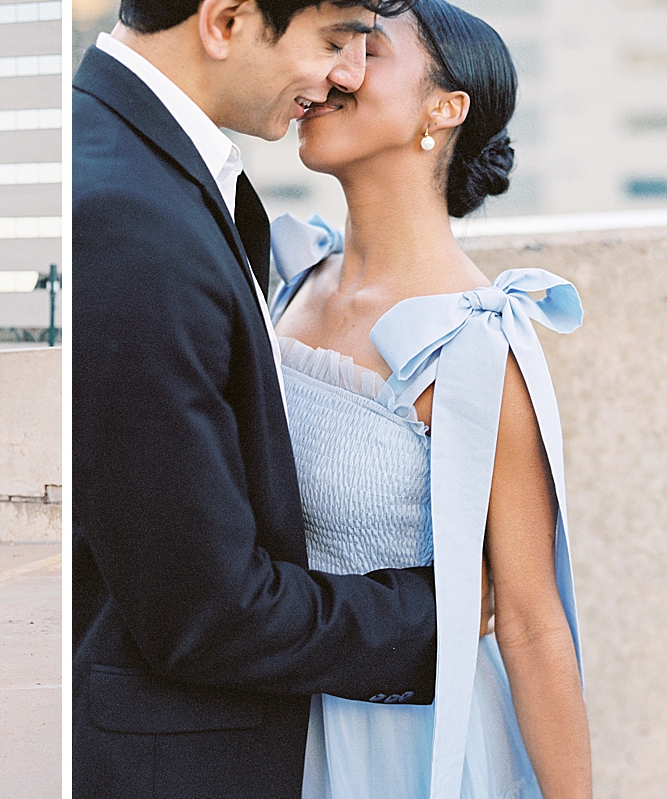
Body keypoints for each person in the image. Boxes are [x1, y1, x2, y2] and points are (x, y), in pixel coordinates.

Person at [73, 1, 440, 797]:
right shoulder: (129, 220)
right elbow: (205, 610)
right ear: (227, 20)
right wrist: (438, 612)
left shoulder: (148, 168)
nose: (349, 74)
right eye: (336, 40)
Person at [267, 3, 589, 796]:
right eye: (336, 45)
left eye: (367, 50)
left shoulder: (479, 341)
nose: (334, 70)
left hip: (405, 751)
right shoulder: (288, 283)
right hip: (262, 729)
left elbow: (529, 619)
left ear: (444, 111)